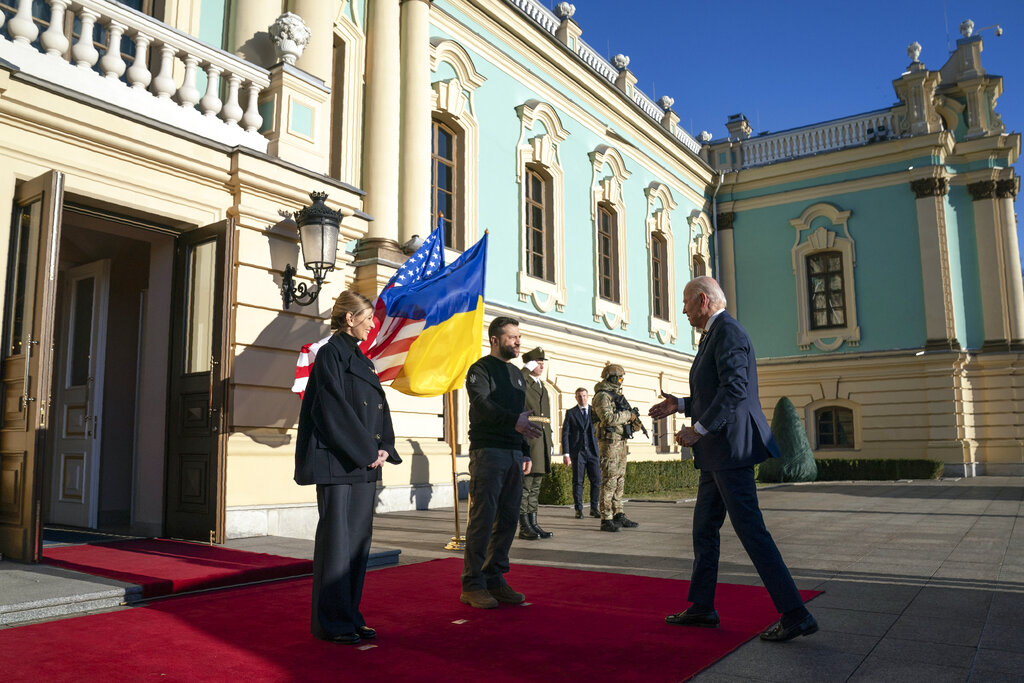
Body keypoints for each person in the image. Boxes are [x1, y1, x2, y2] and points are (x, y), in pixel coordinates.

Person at [649, 276, 817, 642]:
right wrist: (681, 405)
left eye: (686, 303)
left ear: (704, 300)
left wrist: (700, 429)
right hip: (716, 453)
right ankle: (702, 607)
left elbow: (736, 391)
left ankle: (795, 612)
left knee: (751, 531)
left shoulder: (728, 332)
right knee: (704, 530)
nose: (683, 310)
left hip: (728, 450)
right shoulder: (715, 333)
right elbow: (715, 393)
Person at [294, 291, 401, 645]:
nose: (373, 324)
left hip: (365, 464)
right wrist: (367, 449)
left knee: (357, 546)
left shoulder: (362, 359)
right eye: (368, 317)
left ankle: (350, 616)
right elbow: (331, 409)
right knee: (337, 547)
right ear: (349, 318)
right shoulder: (329, 355)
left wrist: (385, 447)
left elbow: (379, 408)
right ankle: (331, 623)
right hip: (339, 463)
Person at [460, 316, 543, 609]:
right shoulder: (480, 370)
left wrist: (524, 451)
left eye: (519, 337)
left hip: (511, 454)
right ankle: (472, 585)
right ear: (495, 339)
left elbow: (521, 416)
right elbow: (482, 405)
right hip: (488, 452)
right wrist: (514, 423)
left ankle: (495, 579)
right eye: (512, 337)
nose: (518, 342)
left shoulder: (517, 375)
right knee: (483, 519)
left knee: (508, 519)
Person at [592, 364, 640, 532]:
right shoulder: (602, 396)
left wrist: (633, 423)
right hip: (609, 443)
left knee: (620, 479)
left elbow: (622, 417)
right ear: (611, 378)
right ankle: (606, 518)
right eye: (619, 378)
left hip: (620, 442)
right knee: (610, 480)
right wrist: (628, 415)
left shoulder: (616, 396)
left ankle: (618, 513)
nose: (621, 382)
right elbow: (607, 419)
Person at [519, 347, 554, 540]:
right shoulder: (524, 382)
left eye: (542, 363)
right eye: (537, 363)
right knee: (525, 486)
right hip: (529, 439)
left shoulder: (542, 386)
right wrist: (525, 368)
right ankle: (524, 526)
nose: (541, 366)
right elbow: (515, 382)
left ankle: (533, 523)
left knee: (535, 486)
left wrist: (550, 442)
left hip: (542, 441)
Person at [561, 387, 601, 519]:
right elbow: (565, 433)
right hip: (577, 452)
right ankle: (578, 509)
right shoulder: (571, 413)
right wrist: (566, 453)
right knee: (578, 481)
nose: (582, 398)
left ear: (587, 396)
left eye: (584, 396)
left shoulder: (594, 412)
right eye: (579, 396)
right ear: (576, 397)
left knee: (596, 480)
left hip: (593, 451)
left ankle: (594, 508)